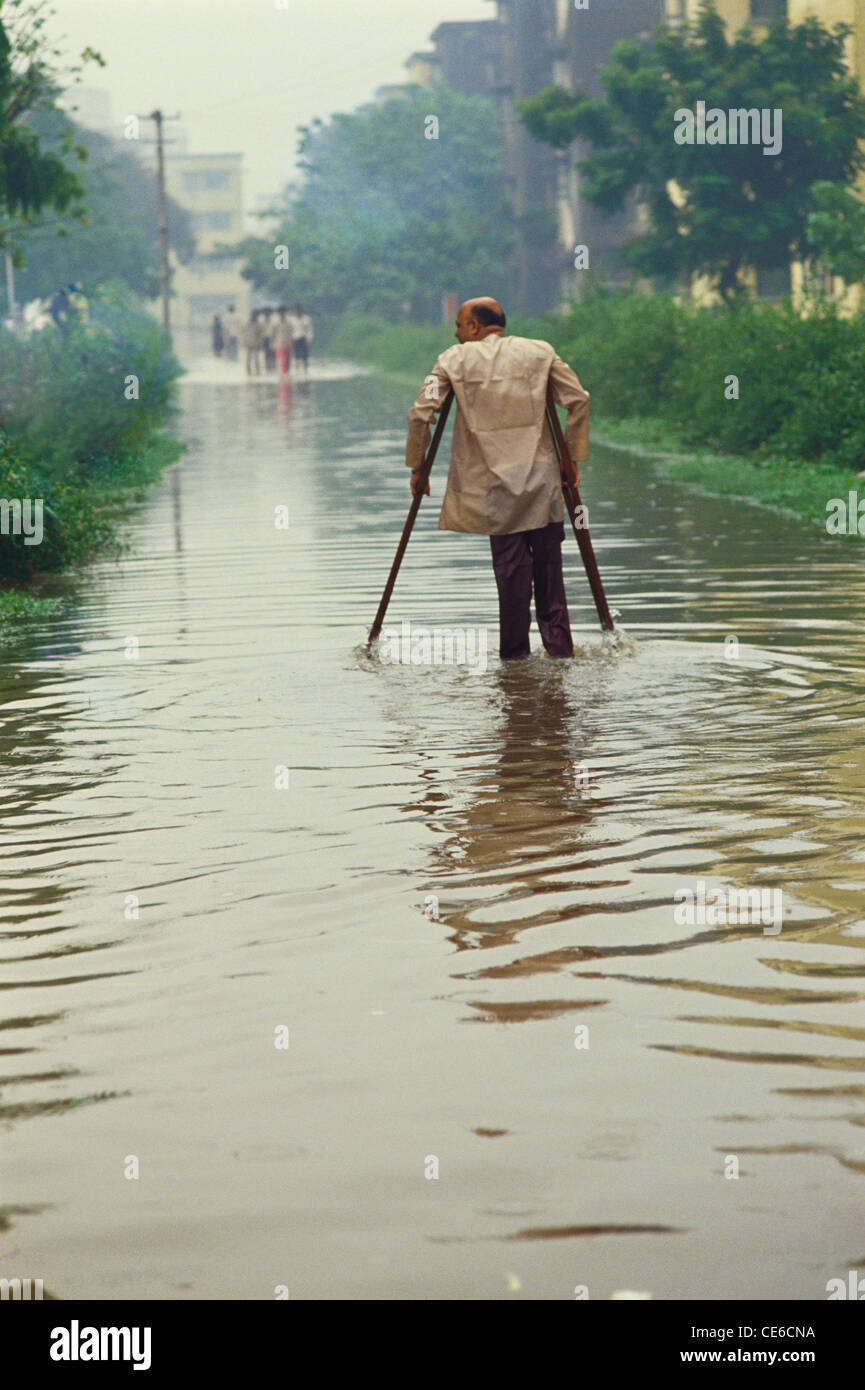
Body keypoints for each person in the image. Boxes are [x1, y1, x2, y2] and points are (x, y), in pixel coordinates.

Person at [405, 296, 590, 661]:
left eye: (460, 326)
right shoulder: (540, 352)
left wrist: (418, 466)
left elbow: (420, 412)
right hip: (542, 483)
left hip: (493, 491)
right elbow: (578, 400)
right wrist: (571, 458)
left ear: (475, 326)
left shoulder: (451, 360)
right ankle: (561, 657)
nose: (457, 333)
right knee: (551, 576)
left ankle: (515, 663)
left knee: (511, 579)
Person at [290, 303, 313, 372]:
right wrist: (291, 339)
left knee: (305, 356)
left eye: (298, 310)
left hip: (304, 339)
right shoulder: (291, 320)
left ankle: (305, 370)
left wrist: (309, 339)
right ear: (293, 311)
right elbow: (290, 330)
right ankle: (297, 370)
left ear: (301, 310)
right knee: (296, 356)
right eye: (295, 310)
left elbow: (310, 330)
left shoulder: (307, 319)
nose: (297, 311)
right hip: (295, 339)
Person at [272, 306, 293, 377]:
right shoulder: (275, 322)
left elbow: (291, 331)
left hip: (288, 342)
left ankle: (287, 373)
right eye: (280, 312)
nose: (281, 313)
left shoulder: (289, 322)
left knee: (288, 360)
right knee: (282, 359)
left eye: (283, 312)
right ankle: (283, 373)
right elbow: (272, 333)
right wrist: (272, 343)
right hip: (279, 343)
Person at [243, 310, 263, 376]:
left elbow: (260, 334)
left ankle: (257, 371)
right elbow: (244, 333)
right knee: (249, 358)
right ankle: (249, 372)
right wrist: (244, 342)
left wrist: (260, 343)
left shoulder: (258, 324)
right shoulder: (247, 323)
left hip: (256, 343)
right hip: (249, 342)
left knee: (256, 358)